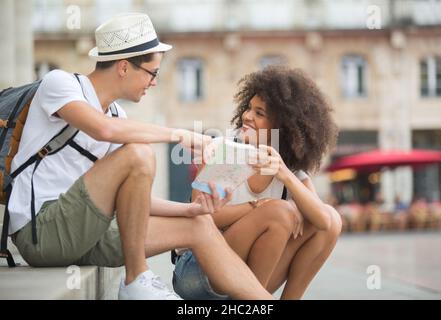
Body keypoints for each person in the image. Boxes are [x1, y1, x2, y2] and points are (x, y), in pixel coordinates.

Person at [7, 13, 273, 300]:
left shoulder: (117, 114)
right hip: (43, 232)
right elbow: (103, 129)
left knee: (199, 225)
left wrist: (189, 210)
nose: (154, 83)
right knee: (138, 152)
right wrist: (181, 135)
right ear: (123, 67)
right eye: (152, 73)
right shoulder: (60, 84)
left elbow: (133, 200)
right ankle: (136, 278)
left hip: (86, 231)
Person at [172, 66, 342, 300]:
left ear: (282, 126)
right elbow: (199, 216)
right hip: (198, 270)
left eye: (259, 113)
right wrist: (258, 207)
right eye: (249, 108)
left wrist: (284, 174)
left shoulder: (289, 170)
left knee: (330, 219)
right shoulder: (225, 151)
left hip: (240, 275)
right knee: (279, 212)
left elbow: (325, 223)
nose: (247, 116)